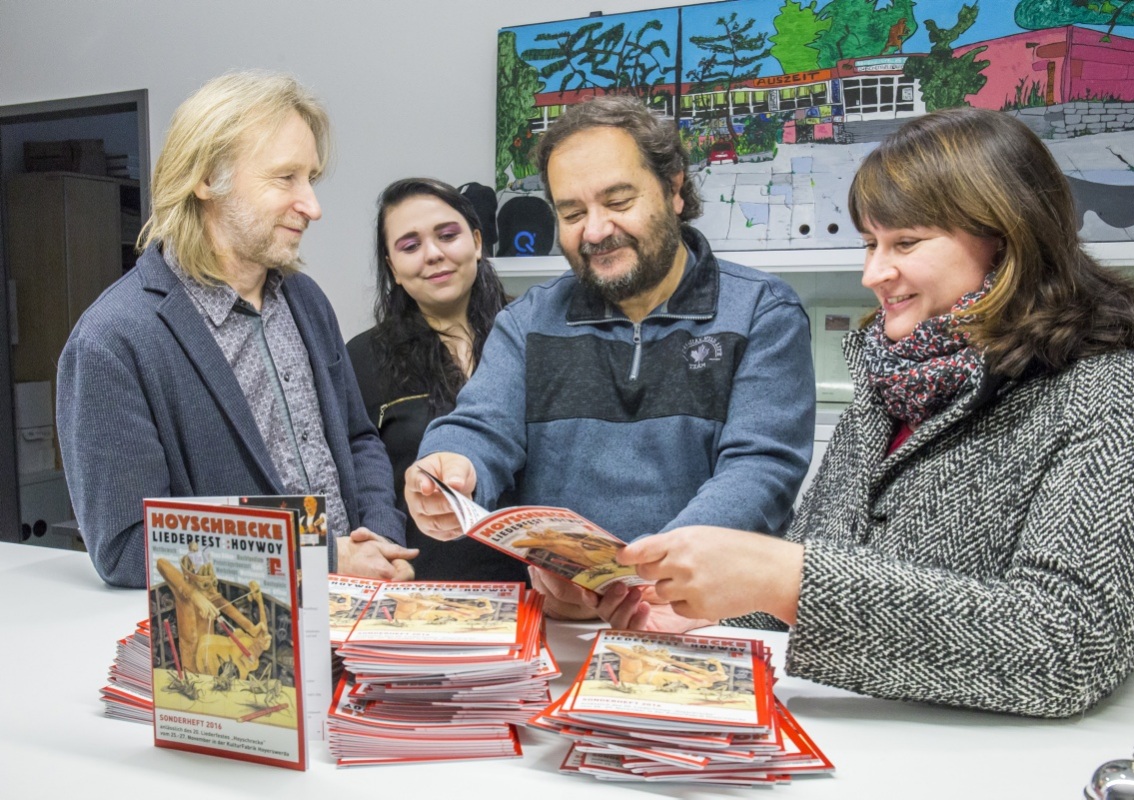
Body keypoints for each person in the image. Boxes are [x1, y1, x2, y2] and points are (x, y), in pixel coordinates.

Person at [612, 107, 1134, 718]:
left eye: (905, 243)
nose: (873, 273)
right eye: (870, 244)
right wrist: (697, 611)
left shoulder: (1130, 395)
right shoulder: (886, 388)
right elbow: (801, 597)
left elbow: (1070, 645)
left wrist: (788, 577)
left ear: (1007, 236)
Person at [404, 95, 816, 619]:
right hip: (567, 618)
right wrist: (450, 467)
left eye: (618, 202)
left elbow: (759, 470)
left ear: (674, 190)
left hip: (708, 616)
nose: (595, 231)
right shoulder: (528, 319)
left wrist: (655, 574)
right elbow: (479, 427)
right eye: (572, 213)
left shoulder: (763, 311)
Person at [57, 70, 414, 588]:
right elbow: (127, 546)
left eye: (310, 179)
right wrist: (323, 559)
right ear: (206, 179)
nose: (312, 207)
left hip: (358, 613)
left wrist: (377, 540)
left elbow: (358, 441)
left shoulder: (305, 300)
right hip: (247, 651)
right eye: (285, 177)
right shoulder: (113, 340)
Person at [346, 178, 525, 582]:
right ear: (392, 266)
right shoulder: (360, 360)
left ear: (477, 243)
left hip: (544, 592)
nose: (433, 255)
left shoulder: (532, 337)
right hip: (424, 596)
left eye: (447, 235)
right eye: (410, 246)